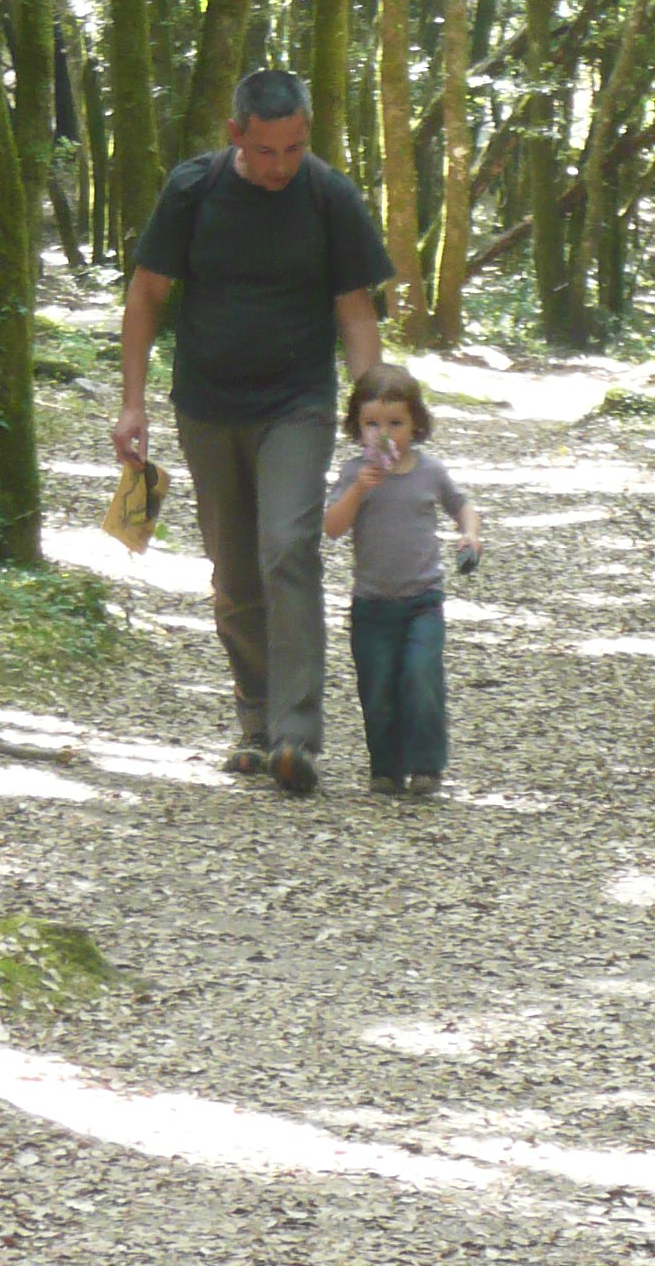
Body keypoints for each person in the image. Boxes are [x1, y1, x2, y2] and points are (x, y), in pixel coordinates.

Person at [112, 69, 394, 795]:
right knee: (234, 572)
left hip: (296, 404)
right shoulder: (193, 190)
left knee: (288, 549)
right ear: (235, 134)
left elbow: (355, 311)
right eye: (266, 150)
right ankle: (256, 721)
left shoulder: (329, 196)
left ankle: (297, 736)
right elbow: (146, 293)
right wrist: (132, 403)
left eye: (294, 149)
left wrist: (375, 414)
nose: (280, 166)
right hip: (207, 406)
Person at [323, 362, 481, 797]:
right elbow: (332, 527)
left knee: (421, 675)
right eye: (372, 424)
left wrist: (470, 534)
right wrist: (359, 490)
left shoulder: (429, 471)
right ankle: (385, 768)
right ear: (357, 426)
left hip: (422, 600)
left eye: (395, 423)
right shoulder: (354, 474)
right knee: (376, 688)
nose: (385, 434)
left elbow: (462, 505)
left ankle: (427, 765)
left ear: (415, 425)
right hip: (371, 604)